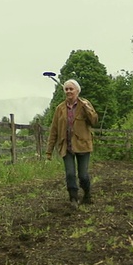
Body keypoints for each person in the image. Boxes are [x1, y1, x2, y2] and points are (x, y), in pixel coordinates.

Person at [46, 79, 99, 207]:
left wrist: (87, 108)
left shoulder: (85, 105)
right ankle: (73, 198)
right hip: (66, 146)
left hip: (83, 145)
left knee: (83, 175)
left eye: (71, 89)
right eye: (66, 89)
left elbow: (94, 121)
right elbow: (54, 130)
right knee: (70, 173)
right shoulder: (60, 109)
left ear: (77, 91)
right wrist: (49, 151)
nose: (68, 91)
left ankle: (87, 194)